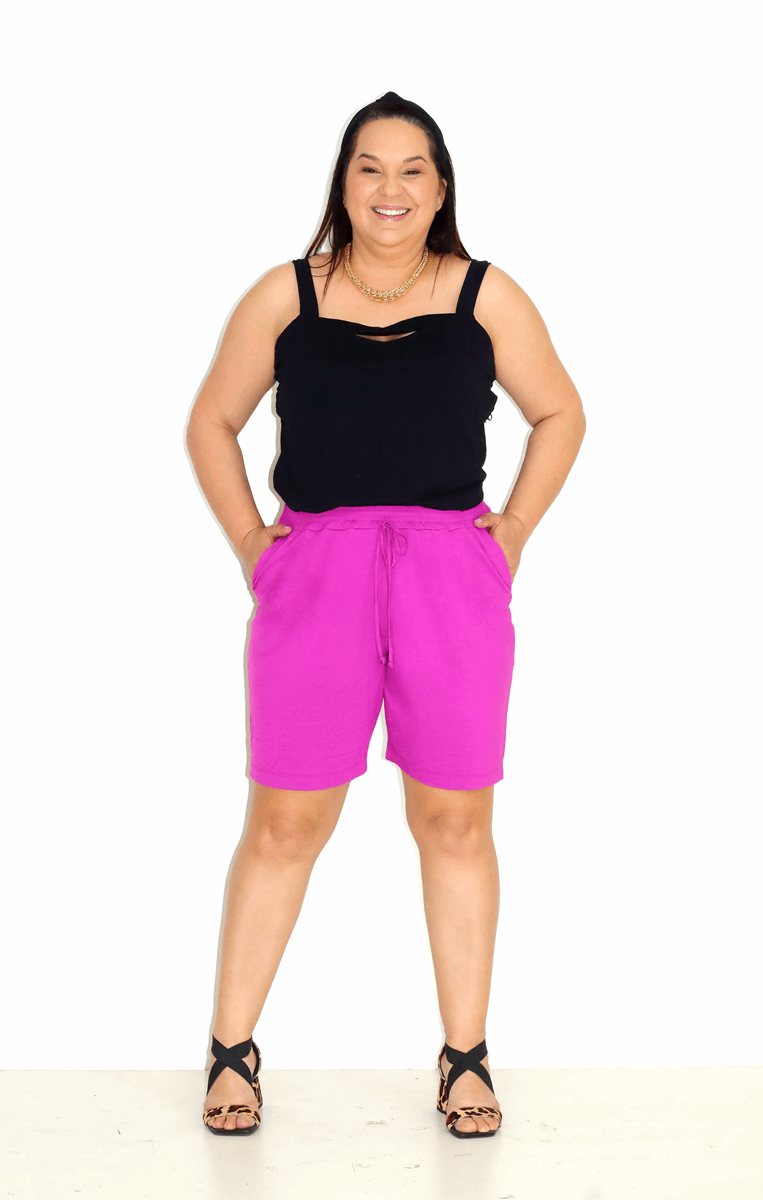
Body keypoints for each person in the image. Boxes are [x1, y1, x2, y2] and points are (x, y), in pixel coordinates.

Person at [186, 91, 586, 1139]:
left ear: (440, 187)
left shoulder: (485, 295)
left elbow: (560, 411)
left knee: (454, 820)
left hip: (451, 575)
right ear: (344, 181)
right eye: (370, 167)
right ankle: (232, 1051)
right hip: (314, 571)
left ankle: (465, 1058)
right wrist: (251, 543)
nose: (390, 188)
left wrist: (511, 534)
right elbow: (212, 421)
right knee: (285, 820)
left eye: (412, 169)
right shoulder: (288, 294)